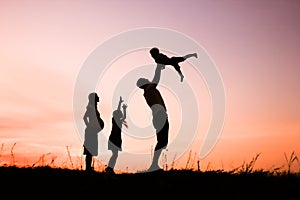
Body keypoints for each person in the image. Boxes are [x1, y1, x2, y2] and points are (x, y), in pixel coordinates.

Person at [136, 63, 168, 172]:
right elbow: (156, 78)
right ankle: (154, 165)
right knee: (161, 141)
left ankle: (154, 165)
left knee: (162, 141)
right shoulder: (149, 88)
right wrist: (158, 66)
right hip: (160, 116)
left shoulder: (147, 92)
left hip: (158, 116)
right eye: (145, 79)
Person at [105, 96, 128, 174]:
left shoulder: (117, 120)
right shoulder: (116, 120)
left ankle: (110, 168)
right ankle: (109, 168)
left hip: (115, 138)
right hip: (115, 138)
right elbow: (122, 115)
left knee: (115, 155)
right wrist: (123, 108)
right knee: (115, 155)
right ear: (118, 115)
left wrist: (120, 104)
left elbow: (121, 114)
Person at [83, 92, 105, 171]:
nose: (99, 98)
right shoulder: (90, 107)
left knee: (91, 151)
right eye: (97, 97)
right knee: (89, 151)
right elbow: (84, 117)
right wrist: (89, 126)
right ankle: (88, 168)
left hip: (93, 131)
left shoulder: (93, 107)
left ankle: (89, 168)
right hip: (91, 131)